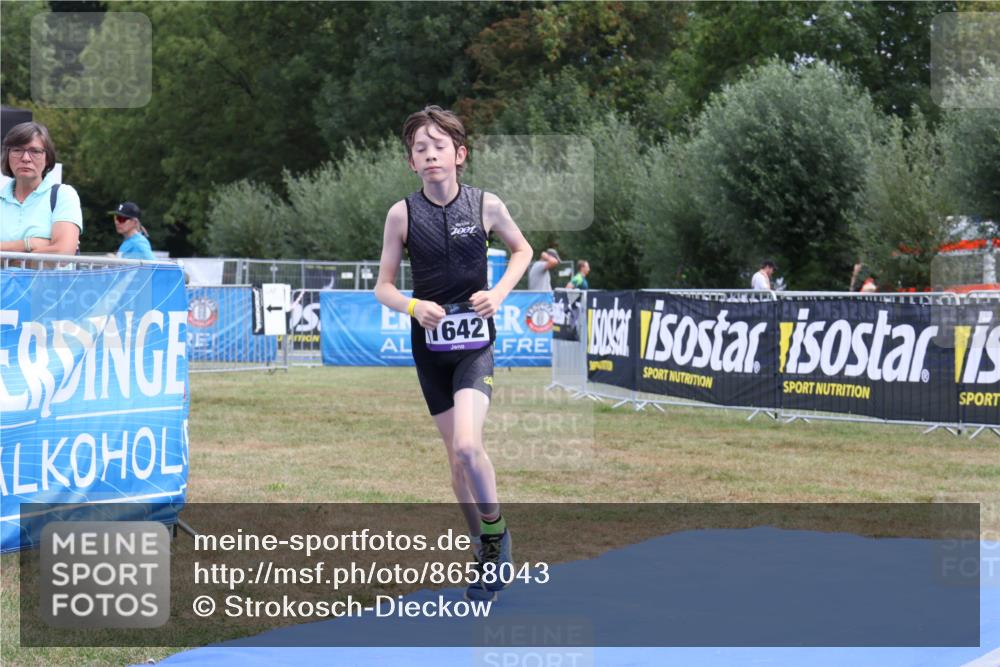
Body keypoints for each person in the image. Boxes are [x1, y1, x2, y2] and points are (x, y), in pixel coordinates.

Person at [373, 106, 532, 601]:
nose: (430, 155)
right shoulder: (401, 214)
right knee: (457, 461)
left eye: (438, 146)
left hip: (475, 347)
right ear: (411, 163)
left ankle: (497, 536)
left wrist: (499, 293)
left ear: (459, 154)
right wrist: (414, 306)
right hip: (430, 350)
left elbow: (523, 250)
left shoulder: (486, 205)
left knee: (467, 445)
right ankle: (482, 546)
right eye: (420, 149)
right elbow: (383, 287)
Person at [0, 122, 82, 256]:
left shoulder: (63, 195)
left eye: (35, 151)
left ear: (47, 158)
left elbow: (63, 254)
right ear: (7, 155)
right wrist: (29, 244)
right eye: (17, 150)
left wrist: (7, 256)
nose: (25, 158)